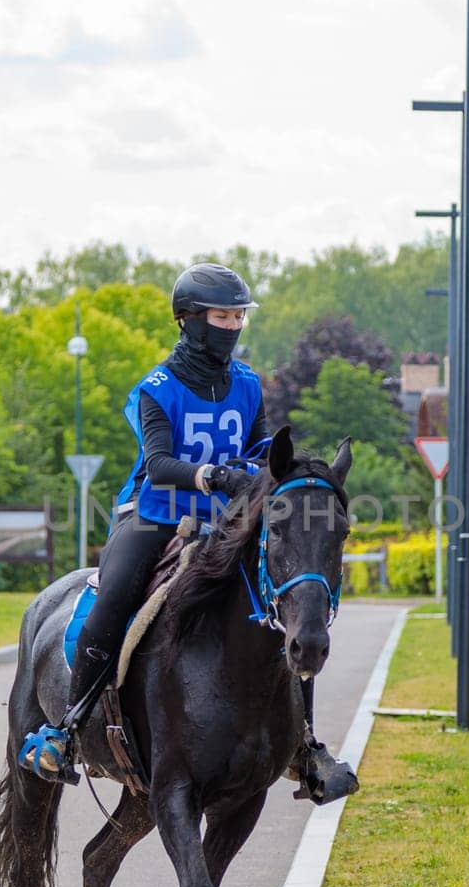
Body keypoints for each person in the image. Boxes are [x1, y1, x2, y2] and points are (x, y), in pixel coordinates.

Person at [21, 262, 356, 803]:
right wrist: (213, 475)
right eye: (221, 316)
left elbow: (261, 449)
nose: (232, 326)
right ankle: (66, 729)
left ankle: (305, 745)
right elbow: (157, 463)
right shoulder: (155, 388)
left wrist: (283, 473)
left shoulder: (246, 384)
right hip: (154, 515)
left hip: (225, 522)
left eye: (238, 316)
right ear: (190, 320)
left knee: (292, 605)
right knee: (114, 599)